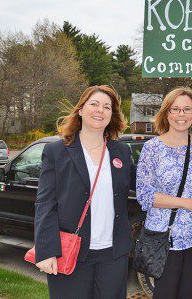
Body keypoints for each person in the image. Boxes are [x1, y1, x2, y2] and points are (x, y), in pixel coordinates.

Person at [34, 85, 135, 298]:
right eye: (94, 104)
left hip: (113, 255)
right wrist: (47, 251)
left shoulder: (122, 152)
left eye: (107, 107)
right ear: (80, 109)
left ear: (112, 115)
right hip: (70, 253)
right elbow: (46, 203)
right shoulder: (56, 151)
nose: (100, 110)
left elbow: (141, 187)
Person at [136, 87, 192, 299]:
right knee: (166, 294)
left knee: (191, 294)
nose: (181, 115)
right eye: (176, 109)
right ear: (167, 113)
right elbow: (145, 195)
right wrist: (185, 203)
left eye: (187, 109)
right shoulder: (152, 148)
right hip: (165, 237)